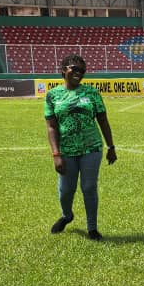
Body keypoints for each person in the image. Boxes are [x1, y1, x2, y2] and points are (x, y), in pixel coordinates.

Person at [45, 54, 117, 240]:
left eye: (82, 71)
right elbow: (51, 126)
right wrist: (56, 154)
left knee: (89, 187)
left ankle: (92, 228)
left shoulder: (92, 93)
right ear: (63, 70)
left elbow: (103, 120)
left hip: (91, 148)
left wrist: (111, 146)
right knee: (66, 190)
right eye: (74, 69)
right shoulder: (53, 95)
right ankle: (66, 215)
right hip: (66, 151)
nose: (79, 73)